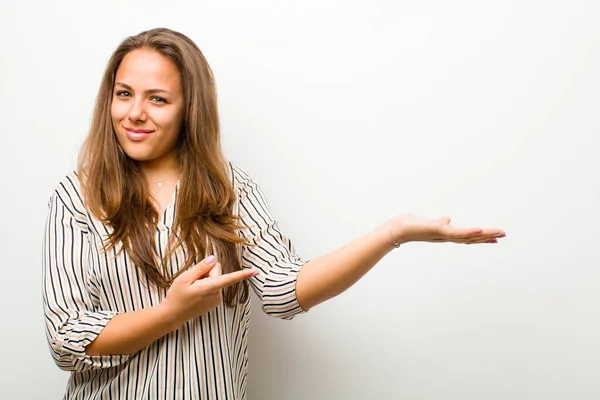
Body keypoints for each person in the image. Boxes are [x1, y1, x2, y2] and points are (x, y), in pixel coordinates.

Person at [42, 27, 505, 399]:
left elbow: (285, 290)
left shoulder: (229, 189)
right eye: (123, 94)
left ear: (189, 109)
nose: (135, 113)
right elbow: (66, 339)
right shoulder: (75, 198)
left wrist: (391, 234)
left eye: (158, 99)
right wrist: (171, 312)